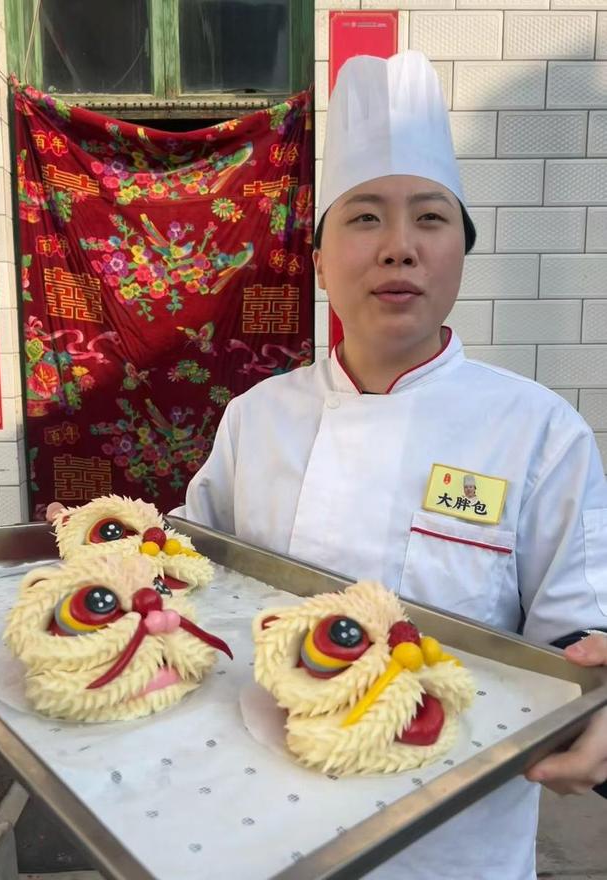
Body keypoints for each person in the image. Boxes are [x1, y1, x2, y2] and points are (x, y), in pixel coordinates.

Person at [172, 51, 607, 879]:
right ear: (320, 256)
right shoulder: (256, 418)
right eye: (365, 217)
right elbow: (193, 581)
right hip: (254, 814)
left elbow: (580, 629)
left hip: (452, 839)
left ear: (463, 252)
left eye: (431, 219)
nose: (399, 248)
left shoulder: (539, 432)